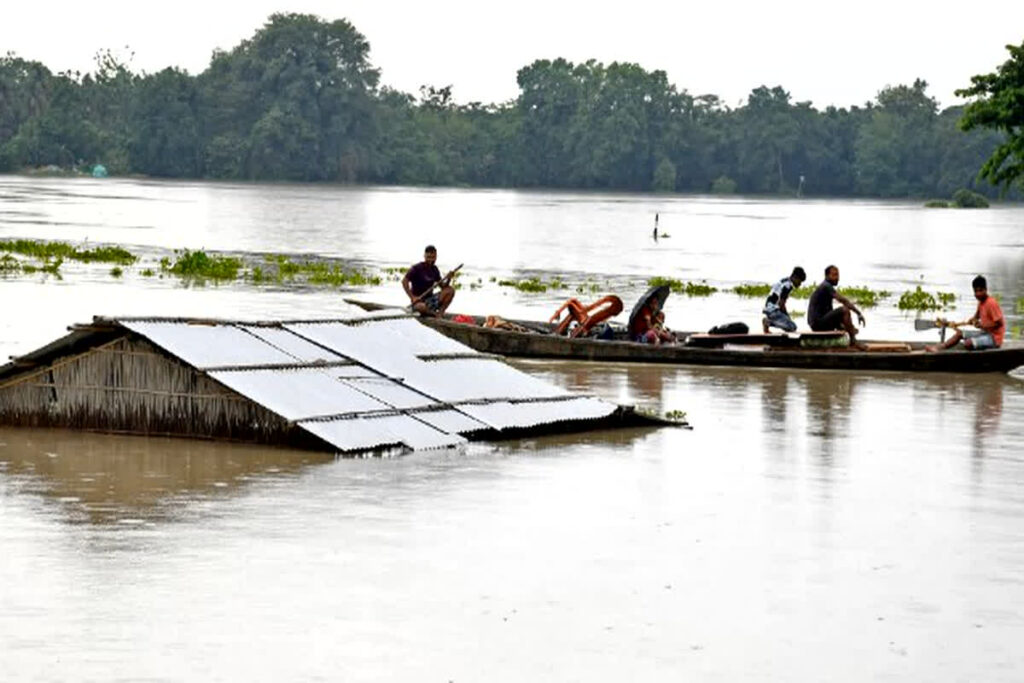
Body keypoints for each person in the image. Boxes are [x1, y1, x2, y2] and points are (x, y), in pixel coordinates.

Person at [926, 275, 1005, 352]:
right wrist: (962, 323)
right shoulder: (981, 303)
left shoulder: (991, 303)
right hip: (984, 333)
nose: (978, 294)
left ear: (985, 290)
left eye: (980, 290)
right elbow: (975, 317)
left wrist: (982, 325)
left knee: (968, 344)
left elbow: (999, 323)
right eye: (975, 291)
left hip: (994, 338)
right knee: (959, 334)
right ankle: (938, 348)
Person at [806, 265, 867, 349]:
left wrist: (846, 326)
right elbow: (843, 300)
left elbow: (829, 313)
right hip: (817, 324)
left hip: (819, 322)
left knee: (848, 325)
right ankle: (853, 341)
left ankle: (850, 334)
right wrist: (858, 313)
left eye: (838, 275)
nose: (837, 278)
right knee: (845, 310)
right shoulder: (826, 286)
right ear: (827, 276)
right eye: (834, 275)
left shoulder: (826, 286)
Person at [402, 245, 455, 316]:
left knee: (450, 290)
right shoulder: (417, 268)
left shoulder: (435, 269)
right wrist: (412, 297)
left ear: (436, 257)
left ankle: (440, 313)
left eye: (433, 258)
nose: (431, 260)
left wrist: (449, 278)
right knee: (421, 307)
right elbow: (404, 281)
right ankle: (433, 314)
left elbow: (443, 287)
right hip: (418, 301)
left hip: (430, 300)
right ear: (424, 256)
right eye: (428, 257)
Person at [761, 266, 806, 333]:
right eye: (799, 281)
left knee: (788, 323)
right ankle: (768, 322)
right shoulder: (788, 286)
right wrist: (787, 316)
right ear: (794, 277)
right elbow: (781, 304)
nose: (799, 284)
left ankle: (768, 323)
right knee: (793, 327)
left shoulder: (784, 281)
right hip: (774, 310)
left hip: (768, 308)